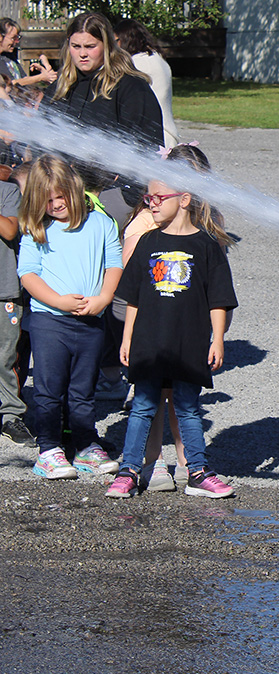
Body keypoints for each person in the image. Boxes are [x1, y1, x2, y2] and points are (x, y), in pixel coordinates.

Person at [105, 156, 238, 499]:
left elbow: (218, 300)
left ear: (184, 199)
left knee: (188, 408)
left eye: (157, 199)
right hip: (149, 343)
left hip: (189, 344)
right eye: (148, 199)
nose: (151, 205)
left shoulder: (207, 246)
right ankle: (129, 471)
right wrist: (128, 337)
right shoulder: (148, 242)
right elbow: (132, 296)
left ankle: (197, 471)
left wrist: (218, 340)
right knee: (143, 407)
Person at [17, 154, 123, 479]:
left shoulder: (102, 223)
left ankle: (86, 446)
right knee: (49, 390)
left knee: (83, 390)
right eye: (47, 200)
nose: (56, 204)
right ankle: (48, 449)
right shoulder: (37, 228)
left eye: (60, 196)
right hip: (49, 322)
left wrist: (104, 298)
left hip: (91, 321)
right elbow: (28, 274)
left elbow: (114, 264)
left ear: (74, 188)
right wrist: (58, 302)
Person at [44, 12, 163, 148]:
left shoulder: (132, 88)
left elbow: (148, 146)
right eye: (76, 46)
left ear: (107, 46)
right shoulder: (60, 88)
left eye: (90, 46)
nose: (82, 54)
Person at [0, 165, 35, 447]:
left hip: (4, 291)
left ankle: (11, 415)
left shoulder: (8, 191)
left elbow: (10, 229)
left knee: (5, 357)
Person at [113, 19, 179, 148]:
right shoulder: (156, 58)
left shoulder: (139, 64)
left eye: (116, 41)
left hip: (155, 134)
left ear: (126, 39)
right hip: (167, 132)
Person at [0, 18, 58, 90]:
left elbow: (23, 79)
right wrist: (40, 77)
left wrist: (44, 74)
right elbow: (10, 84)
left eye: (17, 38)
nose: (17, 41)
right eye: (13, 38)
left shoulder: (9, 56)